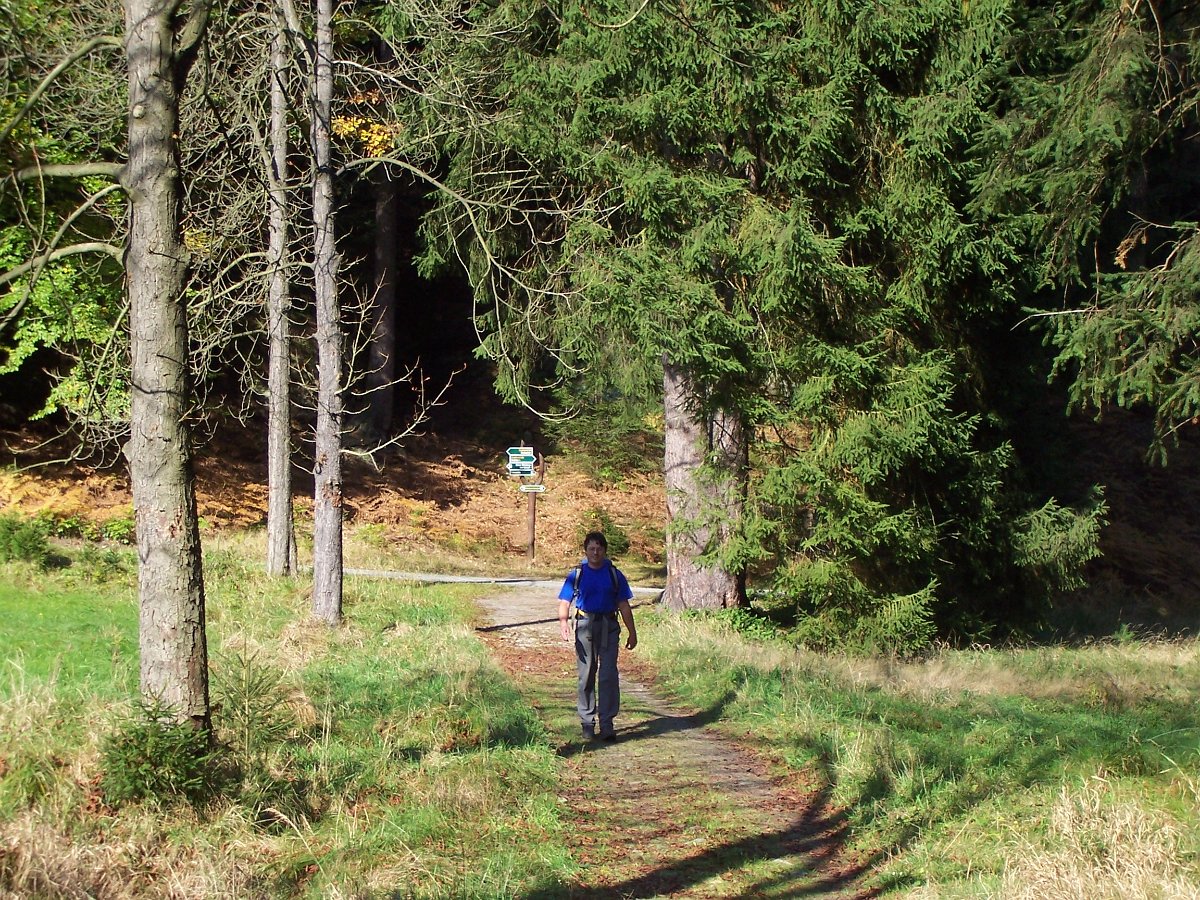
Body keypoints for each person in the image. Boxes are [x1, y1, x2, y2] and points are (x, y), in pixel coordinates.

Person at [558, 531, 637, 741]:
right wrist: (564, 623)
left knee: (609, 674)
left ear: (605, 550)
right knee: (586, 674)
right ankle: (587, 722)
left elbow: (624, 605)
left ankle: (607, 722)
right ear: (586, 550)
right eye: (592, 548)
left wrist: (632, 632)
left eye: (599, 548)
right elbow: (565, 602)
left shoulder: (614, 574)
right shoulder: (577, 574)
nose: (596, 552)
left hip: (609, 626)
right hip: (585, 625)